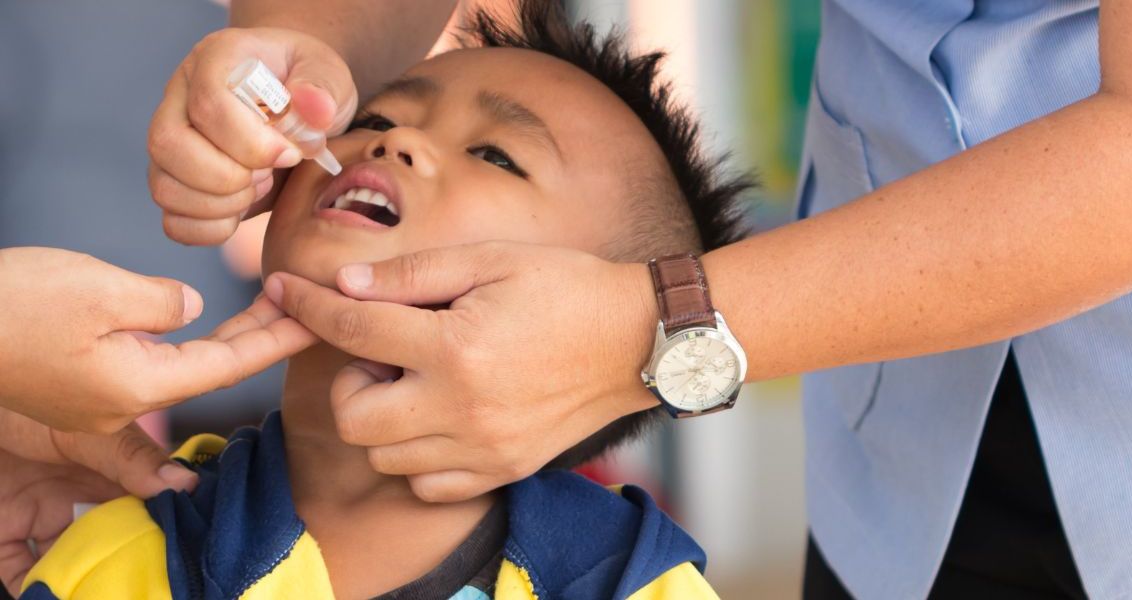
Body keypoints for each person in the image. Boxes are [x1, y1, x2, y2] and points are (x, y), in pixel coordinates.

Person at [16, 3, 746, 597]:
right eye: (374, 119)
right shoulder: (116, 559)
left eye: (496, 156)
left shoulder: (631, 581)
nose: (396, 142)